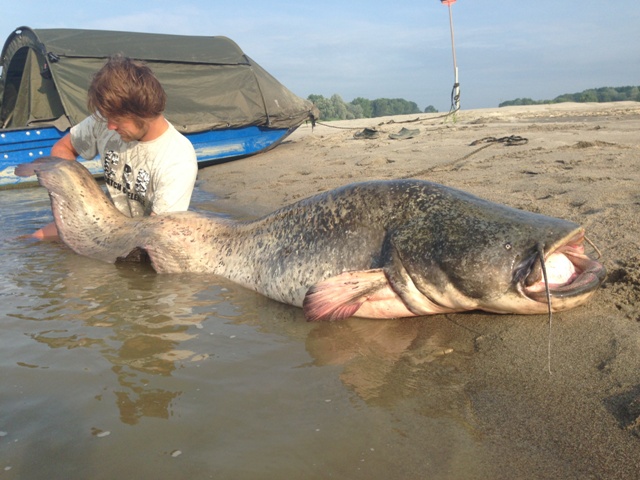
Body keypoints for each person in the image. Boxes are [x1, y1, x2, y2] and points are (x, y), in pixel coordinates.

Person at [32, 54, 198, 239]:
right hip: (100, 219)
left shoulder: (178, 159)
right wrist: (78, 195)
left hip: (142, 236)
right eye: (107, 117)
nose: (110, 126)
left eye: (117, 120)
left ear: (142, 112)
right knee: (29, 242)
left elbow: (158, 236)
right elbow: (63, 148)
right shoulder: (104, 121)